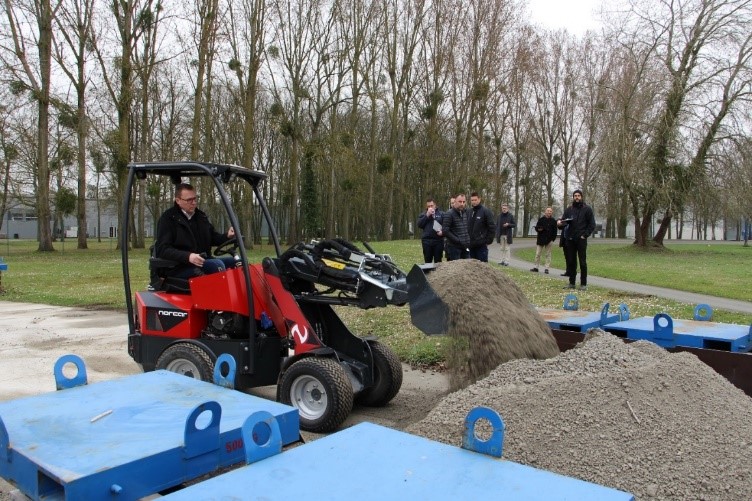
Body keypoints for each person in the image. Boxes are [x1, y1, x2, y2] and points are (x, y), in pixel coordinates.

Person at [155, 183, 236, 279]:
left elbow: (212, 237)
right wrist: (188, 256)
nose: (193, 203)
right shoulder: (168, 219)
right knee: (216, 265)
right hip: (179, 266)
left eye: (195, 199)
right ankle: (220, 294)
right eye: (189, 200)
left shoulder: (200, 216)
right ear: (178, 200)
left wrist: (227, 236)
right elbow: (163, 249)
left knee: (237, 262)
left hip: (202, 262)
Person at [558, 189, 596, 290]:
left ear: (581, 197)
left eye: (578, 195)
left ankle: (583, 284)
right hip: (570, 239)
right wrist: (559, 223)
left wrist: (585, 235)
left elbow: (592, 224)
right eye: (575, 196)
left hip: (581, 239)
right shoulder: (569, 210)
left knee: (582, 261)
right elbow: (563, 222)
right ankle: (572, 282)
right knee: (571, 261)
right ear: (573, 197)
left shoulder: (587, 209)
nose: (577, 197)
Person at [467, 192, 496, 262]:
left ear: (479, 199)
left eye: (475, 200)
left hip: (481, 245)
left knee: (482, 266)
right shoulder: (469, 212)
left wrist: (488, 240)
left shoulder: (486, 211)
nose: (474, 202)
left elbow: (492, 227)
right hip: (471, 245)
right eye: (472, 200)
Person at [442, 193, 470, 260]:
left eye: (464, 202)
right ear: (455, 202)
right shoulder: (449, 214)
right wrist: (457, 240)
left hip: (465, 247)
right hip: (454, 248)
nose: (462, 204)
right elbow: (445, 230)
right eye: (460, 202)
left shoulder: (465, 213)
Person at [531, 207, 558, 274]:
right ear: (545, 212)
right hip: (541, 239)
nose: (549, 212)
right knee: (538, 254)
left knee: (548, 254)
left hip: (549, 240)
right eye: (548, 211)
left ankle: (547, 268)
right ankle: (536, 267)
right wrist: (538, 229)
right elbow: (537, 228)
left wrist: (552, 239)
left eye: (550, 211)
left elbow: (555, 231)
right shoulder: (541, 220)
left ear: (552, 212)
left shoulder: (553, 221)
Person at [417, 197, 444, 263]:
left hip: (438, 241)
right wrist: (427, 215)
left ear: (435, 205)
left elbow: (446, 225)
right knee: (427, 261)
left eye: (431, 206)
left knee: (438, 262)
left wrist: (442, 231)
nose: (430, 207)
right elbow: (419, 225)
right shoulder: (423, 215)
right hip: (426, 241)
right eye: (428, 206)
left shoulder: (441, 214)